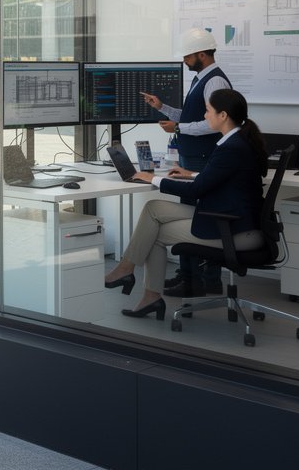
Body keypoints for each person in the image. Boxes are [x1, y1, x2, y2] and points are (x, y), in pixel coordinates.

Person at [103, 88, 266, 321]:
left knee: (155, 233)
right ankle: (129, 272)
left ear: (223, 115)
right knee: (154, 209)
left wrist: (154, 179)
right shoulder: (238, 142)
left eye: (208, 111)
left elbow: (197, 191)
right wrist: (191, 173)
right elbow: (220, 178)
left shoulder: (231, 148)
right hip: (232, 217)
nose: (204, 116)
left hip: (233, 229)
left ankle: (142, 288)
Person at [139, 27, 233, 296]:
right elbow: (191, 115)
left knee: (198, 220)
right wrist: (163, 108)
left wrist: (178, 129)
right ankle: (191, 275)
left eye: (188, 55)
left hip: (203, 159)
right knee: (195, 216)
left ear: (202, 54)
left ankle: (199, 280)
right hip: (193, 157)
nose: (184, 60)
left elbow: (213, 124)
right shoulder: (201, 78)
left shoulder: (215, 82)